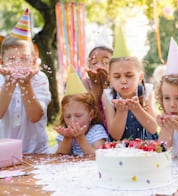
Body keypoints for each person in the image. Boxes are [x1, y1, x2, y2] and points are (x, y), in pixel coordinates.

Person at [0, 9, 51, 154]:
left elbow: (35, 116)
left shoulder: (39, 78)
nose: (17, 64)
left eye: (23, 59)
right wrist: (9, 83)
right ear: (2, 62)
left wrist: (25, 84)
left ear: (33, 62)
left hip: (36, 151)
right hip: (5, 152)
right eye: (11, 59)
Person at [55, 67, 109, 156]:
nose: (72, 120)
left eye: (78, 115)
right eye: (68, 116)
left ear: (91, 115)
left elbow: (98, 157)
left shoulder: (96, 131)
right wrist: (67, 138)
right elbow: (59, 157)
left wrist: (80, 137)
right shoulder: (65, 132)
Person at [102, 57, 158, 141]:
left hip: (146, 146)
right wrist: (121, 112)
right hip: (120, 149)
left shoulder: (146, 91)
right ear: (110, 79)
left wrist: (137, 109)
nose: (123, 81)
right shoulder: (108, 96)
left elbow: (153, 128)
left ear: (140, 76)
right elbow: (115, 136)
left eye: (129, 75)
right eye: (117, 77)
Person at [83, 46, 113, 129]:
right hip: (94, 129)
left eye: (106, 62)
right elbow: (87, 111)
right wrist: (96, 87)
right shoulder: (85, 83)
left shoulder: (116, 83)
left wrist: (105, 85)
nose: (99, 66)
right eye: (94, 63)